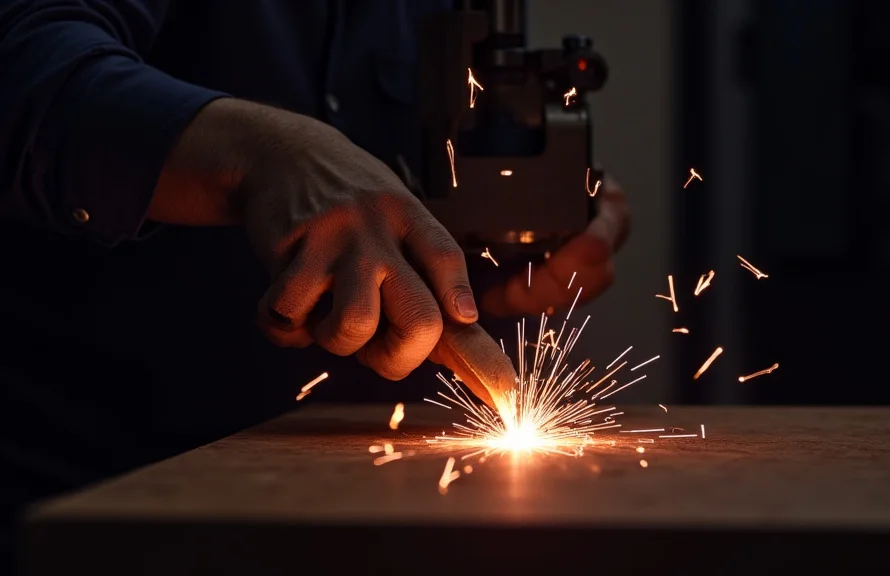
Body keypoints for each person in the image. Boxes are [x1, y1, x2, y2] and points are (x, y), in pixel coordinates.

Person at [0, 0, 630, 568]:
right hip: (97, 493)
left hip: (366, 505)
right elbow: (25, 61)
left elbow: (403, 205)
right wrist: (263, 153)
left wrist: (502, 250)